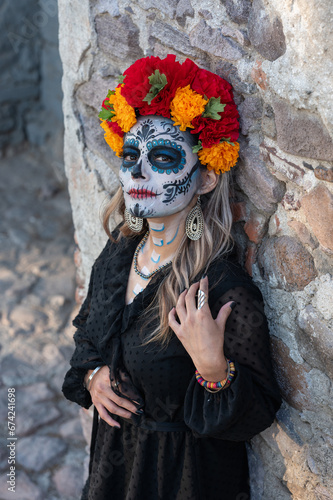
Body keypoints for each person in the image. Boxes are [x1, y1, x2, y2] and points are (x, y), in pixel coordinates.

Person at [62, 55, 281, 500]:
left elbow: (257, 413)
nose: (138, 172)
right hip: (113, 469)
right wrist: (93, 377)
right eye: (130, 155)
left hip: (183, 480)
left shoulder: (221, 289)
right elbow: (89, 338)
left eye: (162, 157)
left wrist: (213, 367)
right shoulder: (121, 251)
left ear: (203, 180)